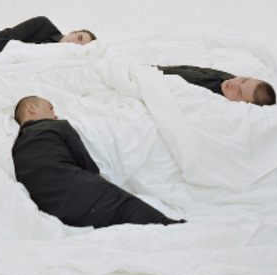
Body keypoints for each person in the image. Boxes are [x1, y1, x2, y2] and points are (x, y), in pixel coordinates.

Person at [12, 96, 183, 228]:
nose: (54, 114)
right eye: (50, 108)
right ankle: (174, 227)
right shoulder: (57, 126)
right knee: (130, 208)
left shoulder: (15, 146)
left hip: (56, 212)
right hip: (82, 191)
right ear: (31, 107)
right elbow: (86, 163)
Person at [157, 65, 276, 106]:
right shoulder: (229, 79)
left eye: (239, 93)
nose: (235, 84)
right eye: (244, 81)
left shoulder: (206, 94)